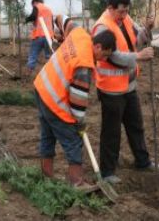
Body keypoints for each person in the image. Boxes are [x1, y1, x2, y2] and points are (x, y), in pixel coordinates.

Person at [34, 25, 116, 189]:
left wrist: (59, 34)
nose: (103, 60)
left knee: (48, 135)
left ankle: (46, 177)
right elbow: (77, 99)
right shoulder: (84, 64)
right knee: (73, 140)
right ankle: (77, 182)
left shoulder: (80, 33)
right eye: (104, 55)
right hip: (54, 99)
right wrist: (79, 122)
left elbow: (65, 21)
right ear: (98, 46)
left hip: (42, 87)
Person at [91, 0, 156, 184]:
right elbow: (114, 56)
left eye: (127, 11)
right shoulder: (102, 27)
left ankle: (143, 162)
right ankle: (107, 172)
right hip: (111, 89)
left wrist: (146, 29)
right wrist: (139, 56)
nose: (124, 15)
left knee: (136, 126)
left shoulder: (125, 20)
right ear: (110, 8)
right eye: (121, 12)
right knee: (111, 132)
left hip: (128, 86)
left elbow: (136, 41)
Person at [25, 0, 54, 75]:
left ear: (34, 2)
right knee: (48, 55)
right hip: (49, 37)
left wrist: (26, 19)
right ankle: (52, 72)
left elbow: (33, 16)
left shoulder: (37, 7)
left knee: (33, 54)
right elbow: (52, 24)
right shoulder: (49, 10)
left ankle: (29, 71)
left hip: (39, 35)